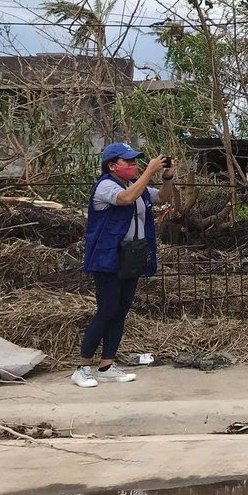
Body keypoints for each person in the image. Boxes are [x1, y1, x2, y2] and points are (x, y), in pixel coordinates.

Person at [71, 142, 174, 388]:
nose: (134, 166)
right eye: (129, 162)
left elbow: (161, 197)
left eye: (135, 161)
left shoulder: (133, 185)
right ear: (112, 165)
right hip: (107, 256)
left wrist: (167, 179)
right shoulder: (107, 186)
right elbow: (126, 199)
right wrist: (149, 171)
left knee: (120, 312)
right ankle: (82, 366)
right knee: (106, 311)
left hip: (131, 257)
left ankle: (106, 364)